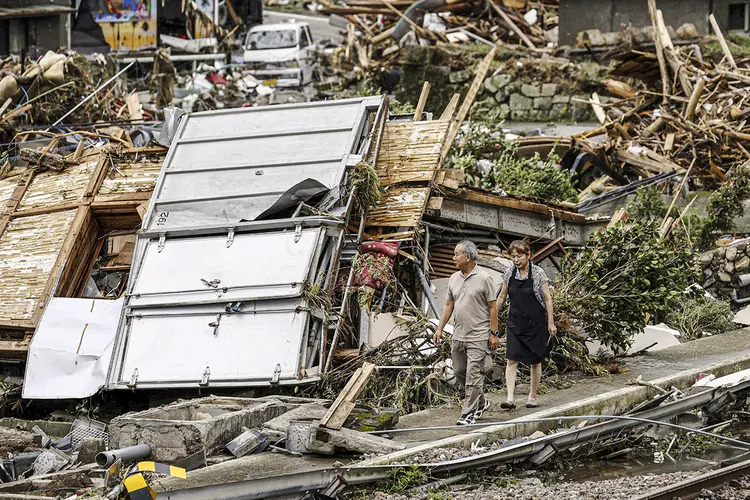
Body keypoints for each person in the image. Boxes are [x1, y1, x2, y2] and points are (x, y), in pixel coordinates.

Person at [433, 240, 499, 426]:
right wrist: (439, 328)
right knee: (460, 371)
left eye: (456, 254)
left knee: (473, 376)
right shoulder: (454, 278)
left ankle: (467, 414)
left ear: (467, 257)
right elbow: (448, 305)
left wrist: (493, 334)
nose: (453, 258)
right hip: (459, 334)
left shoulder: (484, 278)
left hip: (478, 335)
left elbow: (493, 308)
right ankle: (481, 402)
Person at [497, 240, 557, 409]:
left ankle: (532, 396)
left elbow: (547, 298)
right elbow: (502, 296)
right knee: (511, 359)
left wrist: (550, 323)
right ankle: (510, 398)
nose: (516, 260)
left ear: (528, 255)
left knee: (535, 361)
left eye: (520, 256)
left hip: (535, 323)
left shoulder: (538, 273)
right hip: (515, 322)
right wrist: (492, 316)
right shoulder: (509, 273)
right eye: (513, 256)